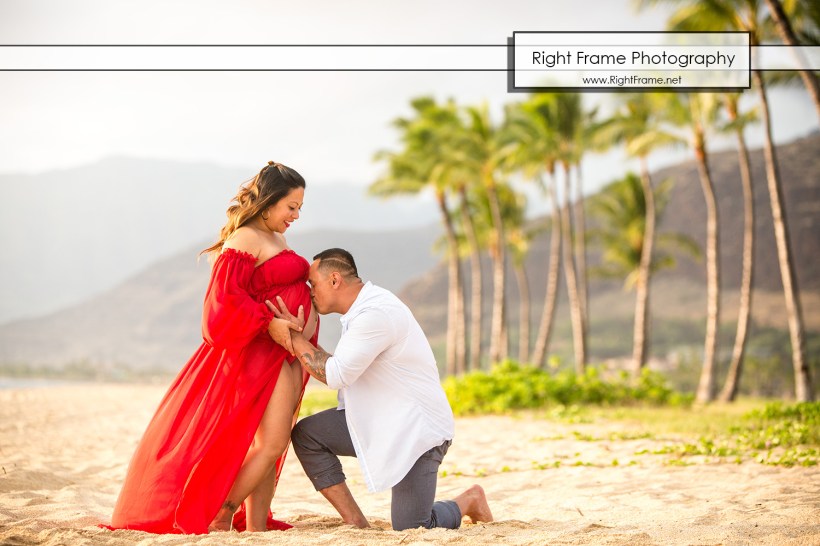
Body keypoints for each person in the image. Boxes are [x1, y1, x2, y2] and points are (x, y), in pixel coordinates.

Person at [107, 161, 318, 534]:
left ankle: (255, 526)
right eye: (291, 206)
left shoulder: (276, 239)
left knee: (273, 442)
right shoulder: (245, 240)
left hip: (284, 352)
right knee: (272, 442)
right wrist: (270, 323)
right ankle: (222, 510)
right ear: (269, 202)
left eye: (300, 207)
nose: (296, 215)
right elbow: (222, 303)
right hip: (258, 353)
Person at [268, 248, 493, 531]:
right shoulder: (361, 311)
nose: (310, 292)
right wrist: (301, 340)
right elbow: (340, 365)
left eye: (313, 284)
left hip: (416, 431)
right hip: (380, 421)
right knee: (308, 435)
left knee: (412, 527)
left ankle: (468, 500)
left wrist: (291, 336)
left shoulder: (375, 314)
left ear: (335, 279)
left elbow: (335, 375)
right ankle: (356, 521)